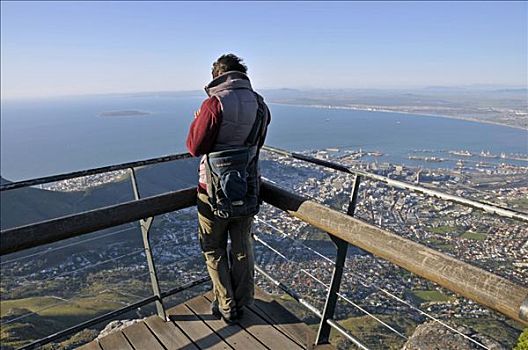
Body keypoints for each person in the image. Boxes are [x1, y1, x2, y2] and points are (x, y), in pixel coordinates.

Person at [186, 53, 271, 323]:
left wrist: (198, 118)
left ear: (217, 77)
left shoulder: (213, 103)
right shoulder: (259, 104)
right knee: (243, 246)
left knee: (214, 248)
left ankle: (225, 304)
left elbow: (194, 147)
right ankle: (244, 301)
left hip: (211, 190)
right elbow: (259, 143)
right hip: (248, 185)